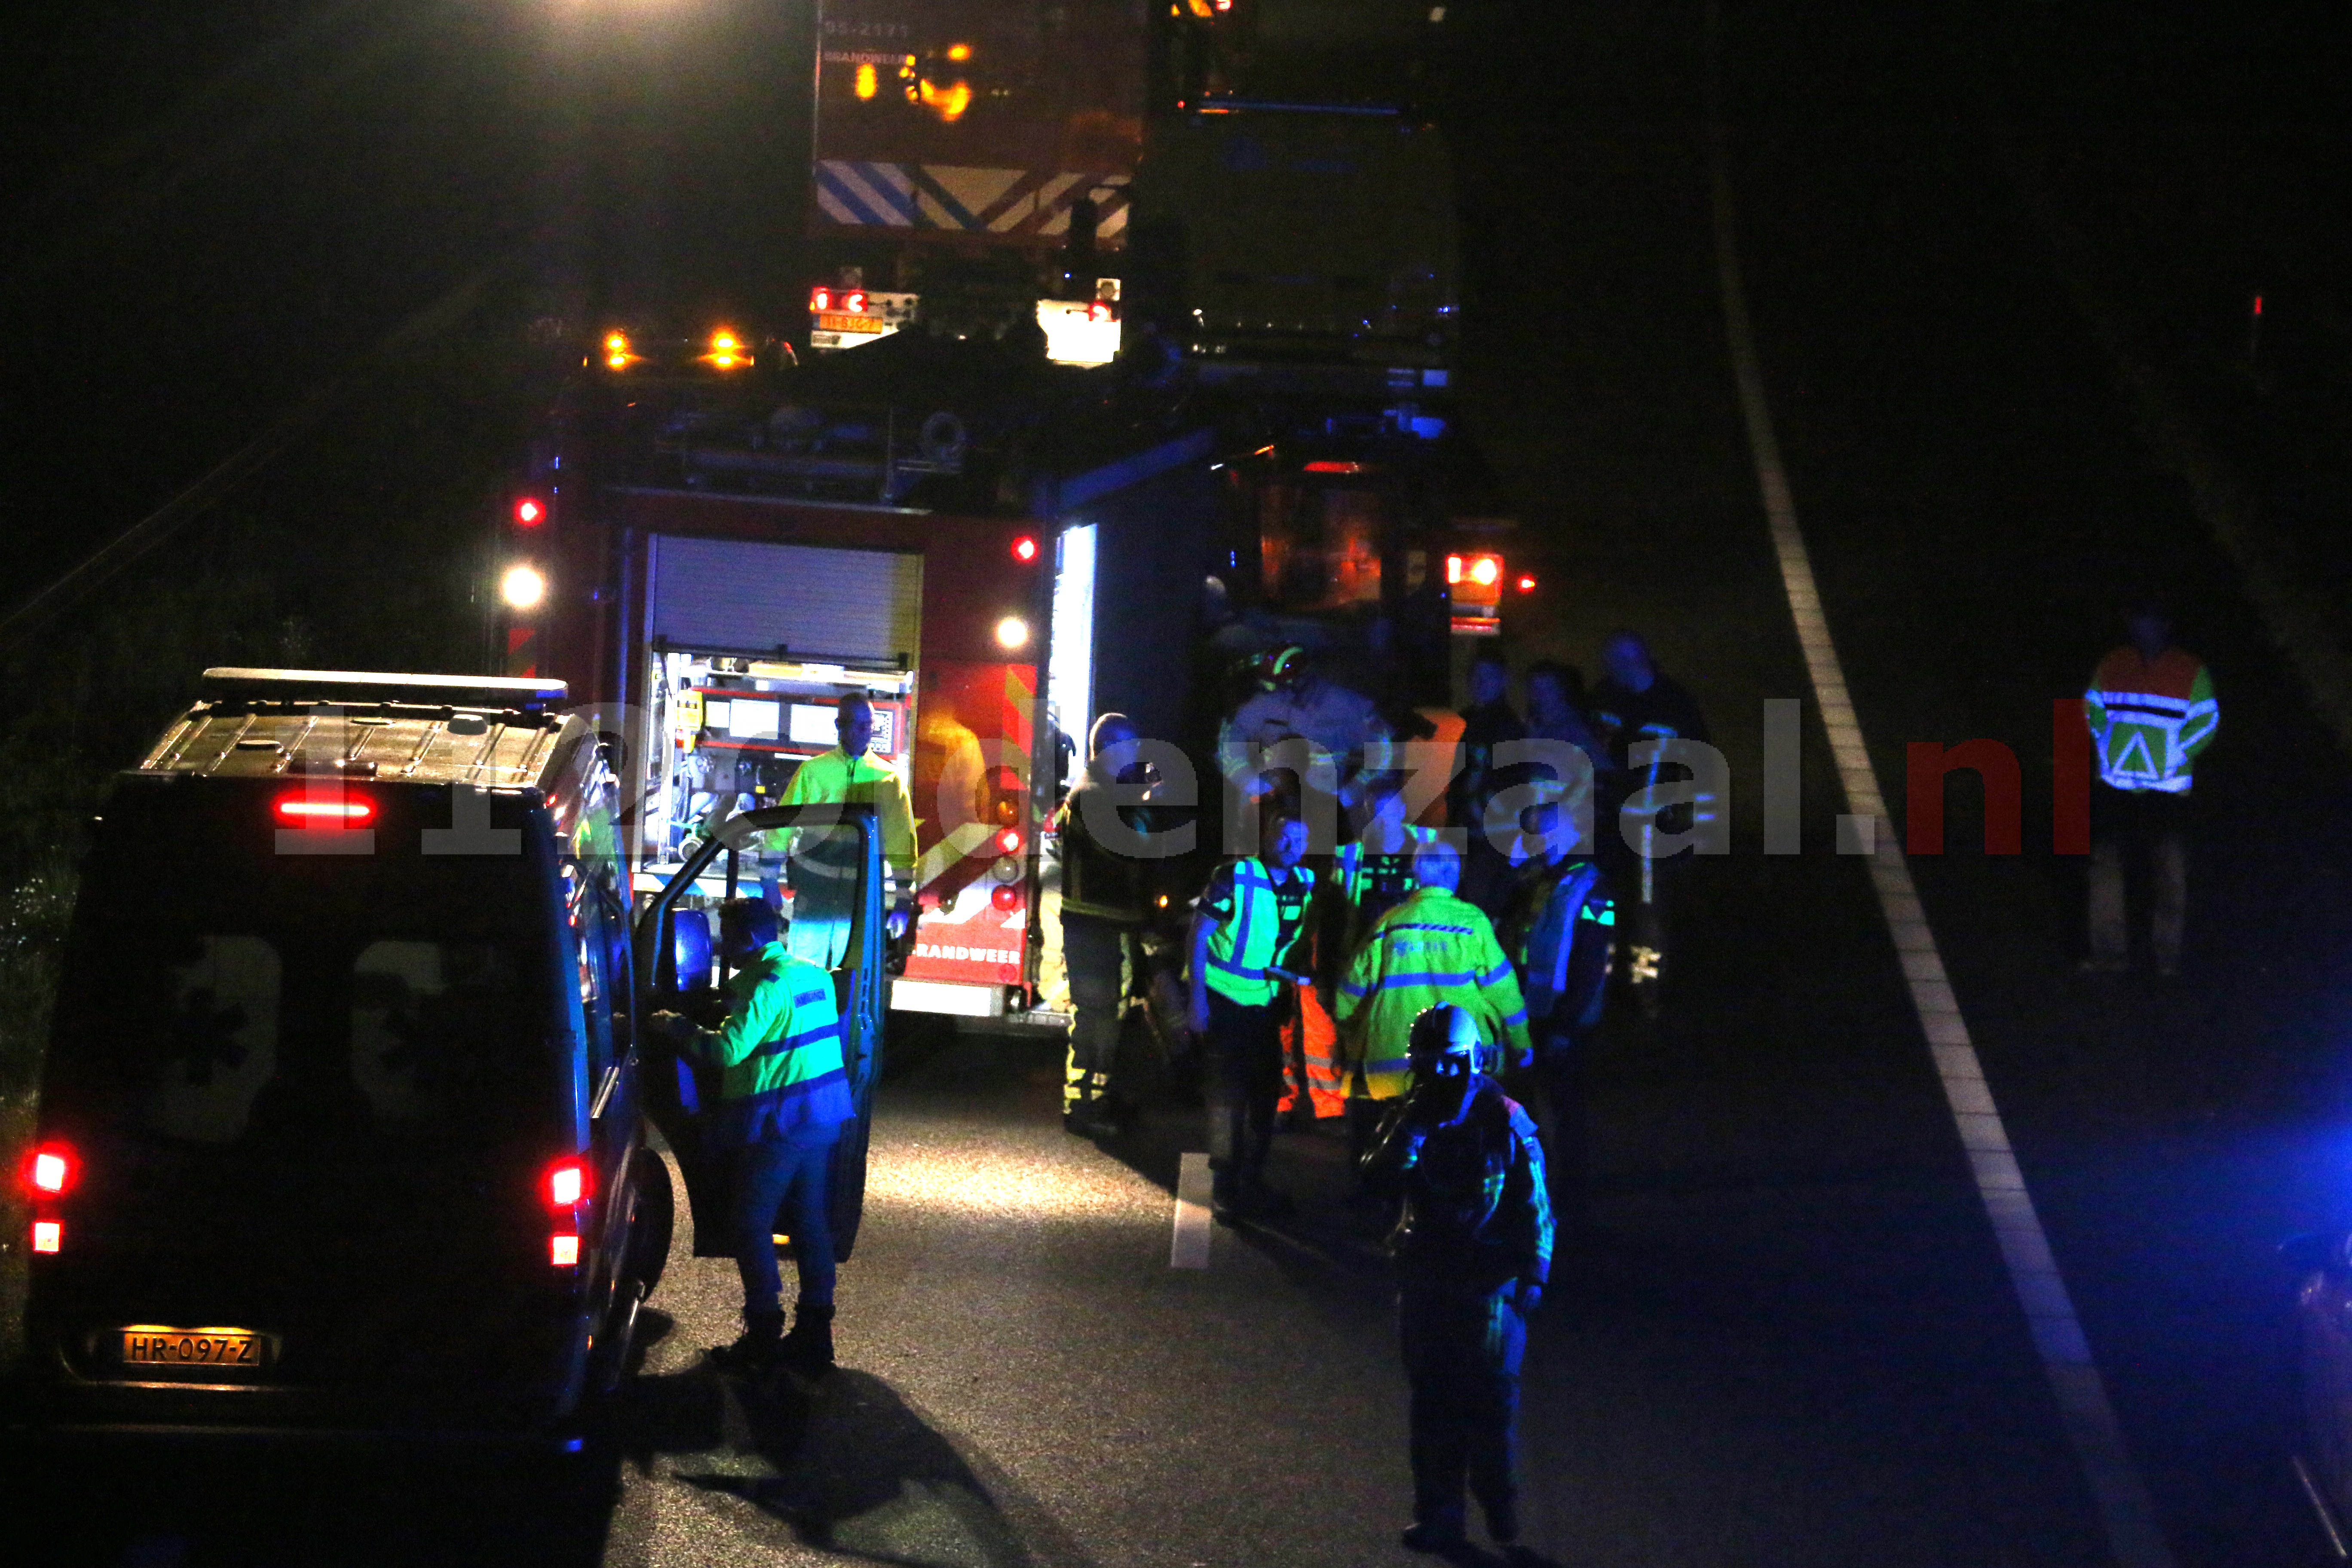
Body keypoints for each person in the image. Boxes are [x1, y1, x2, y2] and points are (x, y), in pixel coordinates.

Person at [1361, 1004, 1553, 1556]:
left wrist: (1534, 1273)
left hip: (1490, 1281)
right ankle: (1440, 1514)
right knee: (1434, 1401)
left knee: (1491, 1404)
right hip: (1427, 1272)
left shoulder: (1505, 1118)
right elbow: (1376, 1177)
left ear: (1472, 1059)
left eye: (1452, 1063)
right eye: (1431, 1065)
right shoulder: (1411, 1115)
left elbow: (1535, 1204)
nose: (1443, 1077)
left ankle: (1499, 1500)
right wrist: (1415, 1129)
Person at [650, 899, 854, 1373]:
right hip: (822, 1116)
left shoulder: (762, 987)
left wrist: (675, 1025)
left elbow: (726, 1051)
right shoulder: (813, 974)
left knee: (749, 1221)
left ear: (744, 938)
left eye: (726, 933)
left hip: (780, 1124)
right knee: (809, 1223)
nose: (723, 943)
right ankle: (814, 1333)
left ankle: (764, 1328)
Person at [1336, 842, 1532, 1164]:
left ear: (1417, 875)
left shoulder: (1390, 923)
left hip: (1392, 1067)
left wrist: (1352, 1034)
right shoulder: (1472, 922)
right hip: (1459, 1065)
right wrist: (1522, 1042)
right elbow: (1504, 990)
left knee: (1397, 1151)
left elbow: (1349, 993)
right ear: (1454, 876)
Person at [1188, 810, 1316, 1221]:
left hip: (1266, 1004)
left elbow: (1291, 944)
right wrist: (1198, 1000)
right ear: (1267, 836)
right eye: (1284, 837)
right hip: (1225, 1000)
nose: (1291, 847)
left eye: (1300, 840)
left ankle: (1253, 1179)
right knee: (1228, 1099)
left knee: (1264, 1097)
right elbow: (1199, 934)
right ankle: (1225, 1185)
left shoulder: (1304, 884)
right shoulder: (1236, 876)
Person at [2083, 599, 2218, 977]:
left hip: (2167, 791)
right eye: (2139, 621)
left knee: (2169, 874)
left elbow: (2206, 722)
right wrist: (2108, 749)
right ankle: (2110, 957)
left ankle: (2167, 960)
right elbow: (2092, 708)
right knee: (2107, 871)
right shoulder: (2113, 665)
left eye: (2152, 622)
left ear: (2166, 626)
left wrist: (2175, 755)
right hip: (2117, 785)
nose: (2145, 630)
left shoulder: (2190, 671)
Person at [1500, 798, 1615, 1226]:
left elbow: (1591, 964)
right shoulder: (1533, 880)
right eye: (1531, 832)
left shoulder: (1591, 887)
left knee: (1567, 1109)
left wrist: (1566, 1025)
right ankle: (1534, 1184)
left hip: (1565, 1018)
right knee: (1523, 1104)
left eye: (1543, 831)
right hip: (1528, 1012)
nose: (1537, 840)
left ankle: (1573, 1194)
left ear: (1567, 833)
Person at [1587, 631, 1710, 1020]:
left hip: (1652, 836)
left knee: (1647, 917)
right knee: (1599, 908)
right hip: (1605, 827)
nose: (1609, 671)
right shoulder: (1604, 696)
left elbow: (1701, 771)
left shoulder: (1675, 707)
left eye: (1615, 664)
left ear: (1636, 661)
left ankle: (1645, 992)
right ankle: (1598, 983)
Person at [1054, 713, 1156, 1136]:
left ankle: (1099, 1092)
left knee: (1109, 1012)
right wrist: (1145, 807)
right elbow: (1129, 849)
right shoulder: (1095, 794)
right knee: (1096, 1013)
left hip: (1107, 923)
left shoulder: (1103, 791)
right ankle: (1082, 1105)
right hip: (1095, 925)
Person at [771, 692, 918, 968]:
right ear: (839, 725)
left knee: (851, 981)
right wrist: (768, 880)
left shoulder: (889, 779)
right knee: (802, 975)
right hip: (815, 896)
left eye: (871, 724)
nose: (867, 731)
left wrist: (903, 897)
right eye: (858, 724)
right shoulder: (813, 772)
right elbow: (782, 826)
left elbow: (902, 841)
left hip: (860, 900)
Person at [1448, 647, 1526, 832]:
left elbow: (1510, 780)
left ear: (1503, 681)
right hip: (1460, 820)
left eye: (1489, 676)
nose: (1480, 683)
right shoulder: (1461, 721)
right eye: (1476, 676)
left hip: (1491, 826)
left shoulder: (1510, 728)